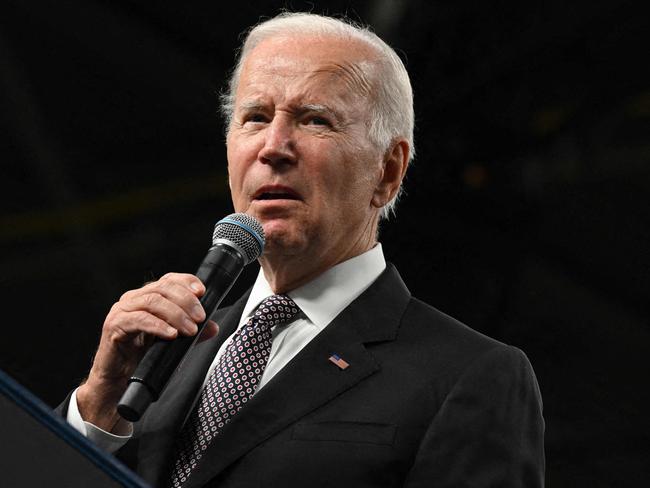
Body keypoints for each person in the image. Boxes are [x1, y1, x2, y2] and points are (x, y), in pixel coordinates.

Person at [59, 12, 545, 488]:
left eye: (315, 120)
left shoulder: (469, 375)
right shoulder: (162, 357)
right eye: (255, 117)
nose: (273, 146)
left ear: (387, 171)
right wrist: (98, 406)